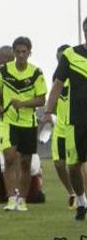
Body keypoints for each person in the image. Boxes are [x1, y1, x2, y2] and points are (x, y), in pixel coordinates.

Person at [0, 36, 46, 212]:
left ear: (29, 53)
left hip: (28, 123)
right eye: (18, 52)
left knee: (25, 162)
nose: (21, 55)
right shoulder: (3, 71)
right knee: (9, 158)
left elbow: (41, 100)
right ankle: (10, 199)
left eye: (24, 52)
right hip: (8, 121)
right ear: (14, 53)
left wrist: (22, 104)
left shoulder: (36, 73)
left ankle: (22, 200)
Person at [42, 22, 87, 221]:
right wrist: (47, 112)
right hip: (75, 120)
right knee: (73, 165)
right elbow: (57, 85)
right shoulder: (70, 55)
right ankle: (81, 201)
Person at [48, 44, 76, 209]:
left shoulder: (79, 75)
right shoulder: (56, 78)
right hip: (60, 125)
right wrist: (49, 114)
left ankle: (82, 197)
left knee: (77, 164)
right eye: (59, 59)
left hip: (76, 125)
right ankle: (72, 192)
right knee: (59, 163)